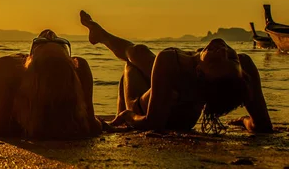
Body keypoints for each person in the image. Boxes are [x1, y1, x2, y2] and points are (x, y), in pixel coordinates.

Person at [79, 10, 273, 133]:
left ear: (199, 72)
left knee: (131, 65)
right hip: (173, 91)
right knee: (139, 52)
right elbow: (262, 126)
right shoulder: (243, 66)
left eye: (216, 61)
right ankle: (101, 35)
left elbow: (151, 123)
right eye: (232, 57)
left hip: (147, 109)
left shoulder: (170, 60)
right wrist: (245, 121)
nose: (223, 51)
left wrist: (127, 116)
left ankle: (101, 35)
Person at [0, 29, 103, 139]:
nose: (49, 33)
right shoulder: (78, 69)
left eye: (41, 43)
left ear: (29, 62)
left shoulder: (9, 68)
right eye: (57, 41)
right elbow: (92, 125)